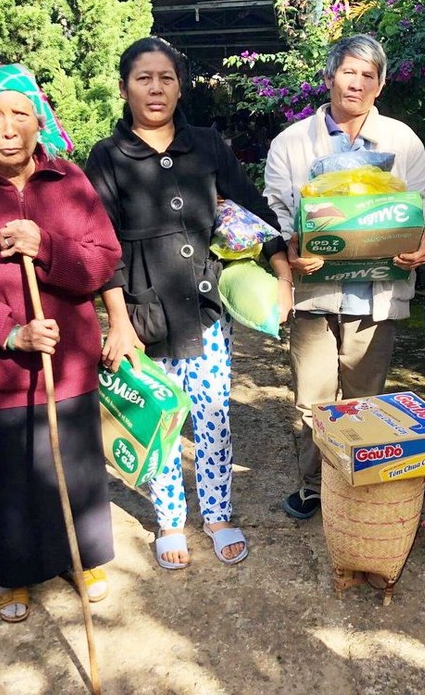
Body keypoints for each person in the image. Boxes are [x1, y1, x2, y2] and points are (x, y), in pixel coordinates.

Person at [86, 37, 294, 569]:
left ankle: (219, 514)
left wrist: (281, 270)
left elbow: (249, 205)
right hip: (143, 318)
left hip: (204, 312)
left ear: (180, 87)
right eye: (143, 78)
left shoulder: (205, 144)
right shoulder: (108, 156)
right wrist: (118, 324)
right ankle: (170, 521)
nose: (156, 88)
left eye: (167, 78)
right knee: (161, 422)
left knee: (213, 418)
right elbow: (101, 242)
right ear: (124, 86)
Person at [0, 64, 122, 619]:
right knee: (14, 471)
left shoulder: (69, 179)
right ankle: (17, 570)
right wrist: (10, 333)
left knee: (78, 462)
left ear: (40, 120)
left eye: (20, 113)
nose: (9, 126)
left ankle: (83, 557)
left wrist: (44, 245)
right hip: (2, 369)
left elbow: (102, 260)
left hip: (72, 360)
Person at [263, 34, 425, 520]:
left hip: (376, 296)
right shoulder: (292, 142)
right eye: (348, 72)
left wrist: (423, 243)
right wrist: (291, 249)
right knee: (311, 399)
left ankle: (353, 483)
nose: (356, 83)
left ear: (380, 85)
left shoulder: (403, 141)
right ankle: (315, 485)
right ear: (330, 77)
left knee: (362, 399)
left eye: (368, 75)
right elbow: (276, 211)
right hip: (315, 294)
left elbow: (422, 207)